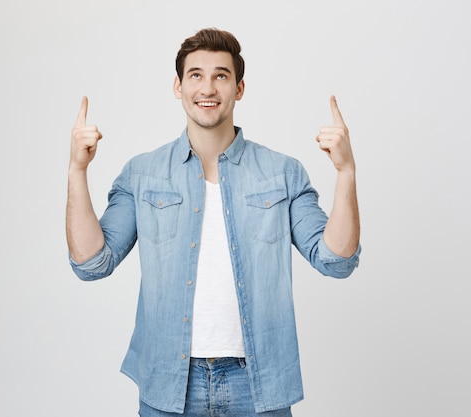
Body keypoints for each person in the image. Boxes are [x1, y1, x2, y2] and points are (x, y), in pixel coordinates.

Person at [66, 28, 360, 417]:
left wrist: (346, 171)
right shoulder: (142, 174)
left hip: (257, 386)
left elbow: (335, 260)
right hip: (169, 383)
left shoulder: (282, 172)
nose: (208, 87)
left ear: (239, 88)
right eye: (196, 75)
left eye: (221, 75)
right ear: (178, 86)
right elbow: (91, 263)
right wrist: (77, 169)